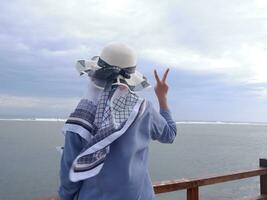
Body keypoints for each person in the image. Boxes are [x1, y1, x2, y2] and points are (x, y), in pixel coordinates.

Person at [58, 42, 177, 200]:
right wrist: (162, 97)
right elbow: (170, 134)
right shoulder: (144, 110)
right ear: (129, 81)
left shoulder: (82, 117)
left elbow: (69, 175)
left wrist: (65, 197)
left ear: (95, 75)